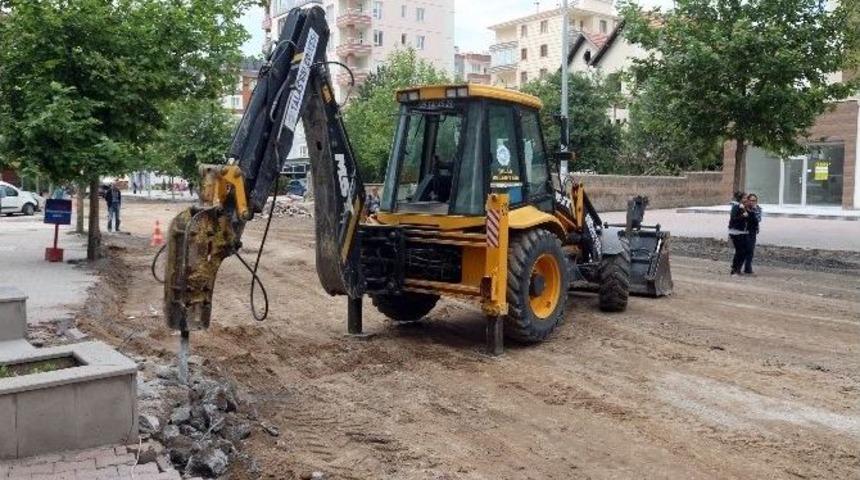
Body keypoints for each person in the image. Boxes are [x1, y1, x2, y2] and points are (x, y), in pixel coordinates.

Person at [728, 193, 749, 275]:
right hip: (735, 232)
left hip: (743, 231)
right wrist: (743, 216)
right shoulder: (736, 206)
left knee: (741, 251)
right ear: (740, 199)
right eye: (744, 198)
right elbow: (733, 219)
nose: (746, 199)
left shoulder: (744, 207)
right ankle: (735, 269)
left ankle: (736, 268)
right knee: (741, 251)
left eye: (747, 198)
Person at [744, 193, 761, 275]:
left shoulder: (758, 209)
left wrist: (754, 211)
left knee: (751, 249)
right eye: (751, 200)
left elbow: (758, 219)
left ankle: (748, 267)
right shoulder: (744, 208)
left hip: (753, 231)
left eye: (754, 201)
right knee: (744, 249)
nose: (752, 202)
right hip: (744, 231)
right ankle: (738, 267)